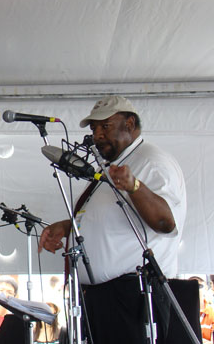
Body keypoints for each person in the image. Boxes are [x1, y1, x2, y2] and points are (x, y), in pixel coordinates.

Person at [39, 95, 187, 344]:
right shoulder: (114, 165)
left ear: (129, 124)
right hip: (102, 298)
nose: (97, 135)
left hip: (131, 298)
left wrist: (135, 186)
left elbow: (165, 223)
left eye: (105, 126)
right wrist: (67, 227)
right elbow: (111, 219)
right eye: (94, 128)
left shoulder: (151, 161)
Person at [189, 276, 214, 343]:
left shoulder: (212, 313)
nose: (196, 289)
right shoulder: (181, 313)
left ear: (206, 288)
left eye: (199, 286)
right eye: (191, 287)